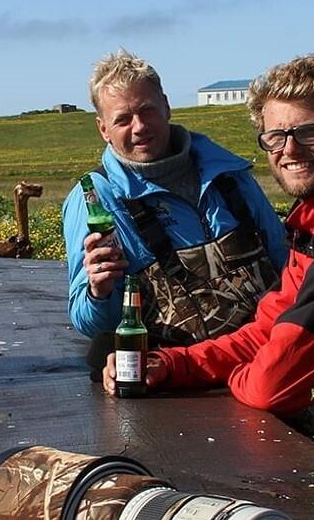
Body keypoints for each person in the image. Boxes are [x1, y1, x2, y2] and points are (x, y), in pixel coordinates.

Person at [102, 54, 314, 433]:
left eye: (309, 132)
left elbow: (274, 383)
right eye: (276, 137)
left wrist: (241, 375)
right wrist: (173, 364)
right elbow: (269, 329)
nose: (289, 150)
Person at [62, 49, 287, 377]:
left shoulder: (229, 175)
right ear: (103, 129)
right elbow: (89, 323)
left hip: (267, 362)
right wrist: (100, 291)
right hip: (175, 383)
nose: (139, 127)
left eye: (147, 111)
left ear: (166, 106)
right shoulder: (96, 199)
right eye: (123, 119)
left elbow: (284, 261)